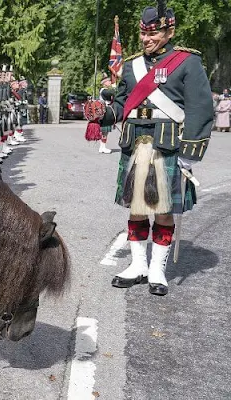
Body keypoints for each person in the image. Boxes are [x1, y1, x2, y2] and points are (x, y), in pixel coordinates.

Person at [89, 3, 214, 296]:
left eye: (153, 33)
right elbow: (122, 104)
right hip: (135, 145)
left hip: (168, 147)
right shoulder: (132, 66)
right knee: (136, 208)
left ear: (170, 31)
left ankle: (157, 268)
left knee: (164, 211)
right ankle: (137, 265)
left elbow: (200, 109)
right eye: (144, 33)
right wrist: (104, 114)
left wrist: (188, 153)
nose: (146, 39)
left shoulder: (187, 62)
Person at [98, 73, 115, 153]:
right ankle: (103, 147)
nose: (110, 82)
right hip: (106, 111)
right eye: (108, 81)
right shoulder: (104, 91)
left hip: (104, 111)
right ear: (104, 83)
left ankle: (102, 147)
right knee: (105, 131)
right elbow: (112, 93)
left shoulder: (104, 90)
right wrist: (115, 88)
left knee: (105, 131)